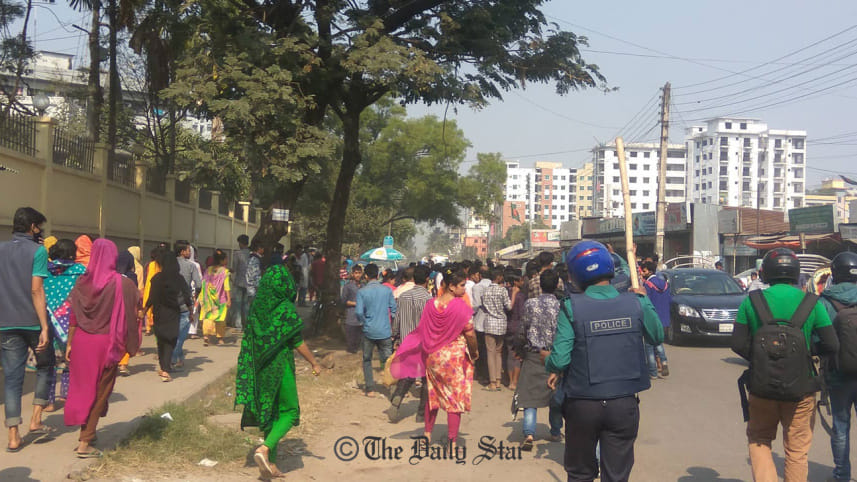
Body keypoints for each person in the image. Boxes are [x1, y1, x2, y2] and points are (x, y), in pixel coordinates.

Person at [546, 240, 664, 482]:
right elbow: (656, 335)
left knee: (580, 474)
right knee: (617, 475)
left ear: (575, 274)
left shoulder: (570, 307)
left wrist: (552, 368)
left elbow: (559, 359)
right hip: (623, 405)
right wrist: (644, 300)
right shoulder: (636, 302)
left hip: (582, 405)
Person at [731, 248, 839, 482]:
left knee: (759, 441)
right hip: (802, 389)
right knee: (797, 451)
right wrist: (807, 354)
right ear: (795, 273)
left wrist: (761, 357)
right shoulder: (812, 302)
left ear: (766, 273)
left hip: (761, 387)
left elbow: (737, 343)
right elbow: (832, 344)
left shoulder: (751, 301)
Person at [236, 261, 323, 479]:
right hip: (280, 367)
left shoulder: (258, 307)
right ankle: (265, 449)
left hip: (260, 369)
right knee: (291, 411)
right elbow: (297, 342)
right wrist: (314, 362)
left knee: (272, 413)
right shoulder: (284, 309)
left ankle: (269, 466)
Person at [66, 238, 139, 458]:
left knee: (83, 388)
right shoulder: (122, 283)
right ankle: (85, 442)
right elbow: (132, 314)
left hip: (81, 341)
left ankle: (88, 431)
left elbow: (73, 317)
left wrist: (69, 343)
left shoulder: (81, 282)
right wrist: (131, 344)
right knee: (100, 391)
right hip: (107, 344)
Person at [391, 268, 478, 450]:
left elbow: (423, 330)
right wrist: (474, 351)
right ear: (452, 287)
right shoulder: (461, 307)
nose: (464, 289)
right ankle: (452, 441)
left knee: (433, 396)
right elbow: (470, 334)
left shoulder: (431, 304)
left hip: (433, 357)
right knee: (454, 400)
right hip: (453, 359)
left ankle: (427, 434)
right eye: (462, 285)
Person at [0, 207, 55, 452]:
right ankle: (35, 419)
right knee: (45, 366)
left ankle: (13, 435)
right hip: (33, 321)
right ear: (33, 227)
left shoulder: (1, 249)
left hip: (6, 323)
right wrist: (44, 326)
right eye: (39, 227)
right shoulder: (38, 251)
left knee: (12, 379)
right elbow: (36, 290)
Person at [818, 251, 857, 482]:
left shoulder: (825, 301)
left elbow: (817, 341)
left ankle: (842, 475)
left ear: (835, 273)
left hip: (837, 373)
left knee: (841, 426)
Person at [517, 269, 563, 450]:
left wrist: (519, 348)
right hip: (554, 355)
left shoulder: (530, 304)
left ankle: (529, 433)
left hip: (533, 354)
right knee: (555, 396)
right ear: (556, 284)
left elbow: (523, 328)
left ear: (541, 285)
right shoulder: (561, 305)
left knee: (529, 396)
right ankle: (555, 431)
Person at [388, 265, 433, 422]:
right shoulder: (429, 299)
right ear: (427, 279)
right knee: (426, 378)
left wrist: (395, 336)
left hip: (407, 342)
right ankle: (421, 413)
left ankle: (397, 399)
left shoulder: (404, 296)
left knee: (407, 374)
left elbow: (397, 319)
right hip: (424, 343)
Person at [146, 252, 192, 382]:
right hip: (173, 313)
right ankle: (165, 369)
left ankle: (164, 367)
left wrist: (144, 311)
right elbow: (186, 295)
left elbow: (152, 297)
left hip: (159, 313)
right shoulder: (179, 278)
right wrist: (190, 311)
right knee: (171, 340)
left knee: (161, 340)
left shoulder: (156, 278)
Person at [355, 263, 396, 398]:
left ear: (365, 276)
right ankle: (392, 388)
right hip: (384, 330)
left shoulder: (362, 292)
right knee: (388, 360)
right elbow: (394, 310)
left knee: (367, 359)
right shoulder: (387, 291)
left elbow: (359, 312)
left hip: (369, 330)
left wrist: (364, 322)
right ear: (378, 275)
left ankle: (370, 388)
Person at [481, 267, 514, 391]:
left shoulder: (486, 291)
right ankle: (498, 380)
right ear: (499, 277)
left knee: (490, 352)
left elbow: (484, 306)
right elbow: (509, 307)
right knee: (499, 353)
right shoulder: (503, 291)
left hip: (489, 323)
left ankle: (492, 382)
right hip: (501, 323)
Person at [640, 260, 670, 379]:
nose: (642, 273)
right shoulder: (665, 284)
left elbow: (646, 303)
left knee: (649, 345)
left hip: (652, 318)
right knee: (658, 342)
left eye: (644, 271)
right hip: (664, 318)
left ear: (650, 271)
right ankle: (664, 362)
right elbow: (669, 300)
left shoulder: (648, 285)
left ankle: (652, 372)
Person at [174, 241, 202, 369]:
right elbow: (198, 284)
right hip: (185, 303)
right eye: (188, 250)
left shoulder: (170, 263)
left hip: (169, 302)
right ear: (182, 252)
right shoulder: (191, 266)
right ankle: (174, 358)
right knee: (181, 334)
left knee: (173, 332)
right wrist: (195, 294)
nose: (190, 253)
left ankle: (178, 358)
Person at [115, 250, 142, 376]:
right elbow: (136, 294)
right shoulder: (132, 276)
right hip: (128, 311)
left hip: (114, 311)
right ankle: (123, 363)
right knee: (127, 336)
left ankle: (114, 361)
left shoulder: (112, 275)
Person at [199, 249, 232, 346]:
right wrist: (229, 299)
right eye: (226, 259)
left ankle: (206, 336)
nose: (227, 260)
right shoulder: (225, 272)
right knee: (220, 318)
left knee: (208, 317)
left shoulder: (208, 270)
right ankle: (220, 339)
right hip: (220, 299)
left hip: (208, 299)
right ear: (222, 260)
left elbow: (203, 283)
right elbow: (226, 287)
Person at [505, 270, 526, 391]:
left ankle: (510, 381)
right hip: (517, 327)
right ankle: (515, 381)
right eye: (520, 280)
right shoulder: (521, 296)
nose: (522, 282)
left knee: (509, 355)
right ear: (516, 282)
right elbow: (522, 313)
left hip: (508, 326)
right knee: (517, 355)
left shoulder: (507, 294)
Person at [341, 264, 364, 354]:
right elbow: (343, 301)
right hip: (351, 316)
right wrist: (355, 303)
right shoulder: (348, 286)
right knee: (351, 343)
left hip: (361, 317)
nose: (357, 275)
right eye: (356, 273)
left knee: (358, 341)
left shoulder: (363, 286)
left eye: (359, 273)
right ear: (352, 274)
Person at [231, 235, 250, 332]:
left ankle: (238, 325)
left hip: (239, 281)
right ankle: (247, 323)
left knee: (238, 303)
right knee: (246, 304)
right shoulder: (251, 254)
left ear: (241, 243)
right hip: (249, 282)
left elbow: (234, 268)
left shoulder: (237, 253)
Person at [141, 247, 162, 335]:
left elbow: (146, 276)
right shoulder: (161, 265)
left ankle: (148, 328)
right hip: (158, 287)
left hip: (149, 287)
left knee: (148, 307)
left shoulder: (149, 264)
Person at [245, 240, 265, 305]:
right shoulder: (255, 259)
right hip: (252, 289)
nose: (263, 250)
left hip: (250, 288)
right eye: (263, 248)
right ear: (259, 249)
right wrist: (257, 287)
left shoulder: (250, 257)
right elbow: (255, 275)